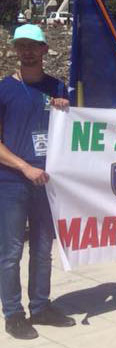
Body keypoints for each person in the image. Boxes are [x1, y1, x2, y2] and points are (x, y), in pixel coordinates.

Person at [0, 25, 76, 340]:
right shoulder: (4, 89)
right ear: (15, 50)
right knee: (11, 252)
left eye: (33, 45)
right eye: (22, 46)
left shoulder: (57, 87)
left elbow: (74, 134)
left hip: (48, 183)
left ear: (44, 49)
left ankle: (41, 307)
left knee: (43, 250)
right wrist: (24, 167)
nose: (27, 51)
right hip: (12, 182)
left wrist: (67, 111)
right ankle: (13, 314)